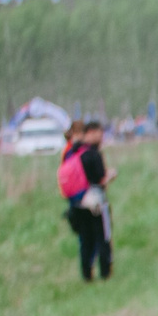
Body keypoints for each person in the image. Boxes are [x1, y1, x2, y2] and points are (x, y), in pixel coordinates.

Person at [57, 118, 116, 282]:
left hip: (76, 203)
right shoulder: (91, 154)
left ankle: (86, 274)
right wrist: (110, 175)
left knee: (85, 240)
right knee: (102, 236)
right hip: (95, 202)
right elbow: (99, 179)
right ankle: (105, 273)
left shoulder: (70, 153)